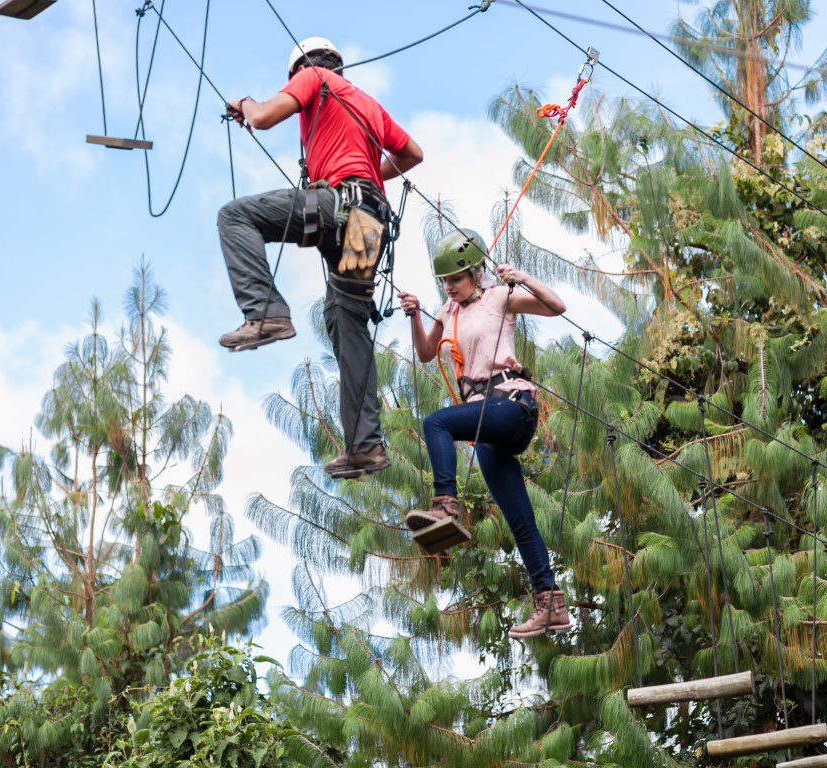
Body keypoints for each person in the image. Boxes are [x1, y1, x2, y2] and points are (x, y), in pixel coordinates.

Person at [219, 37, 424, 480]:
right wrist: (372, 179)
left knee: (236, 217)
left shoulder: (314, 79)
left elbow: (263, 117)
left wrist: (246, 103)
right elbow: (412, 154)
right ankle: (365, 446)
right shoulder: (366, 103)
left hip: (336, 208)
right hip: (369, 223)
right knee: (345, 319)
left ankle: (266, 313)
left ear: (299, 72)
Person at [396, 229, 573, 640]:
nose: (450, 287)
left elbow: (557, 307)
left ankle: (446, 504)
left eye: (455, 279)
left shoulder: (498, 297)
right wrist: (416, 314)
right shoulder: (448, 311)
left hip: (511, 404)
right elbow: (426, 352)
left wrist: (521, 277)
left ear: (475, 273)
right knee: (519, 521)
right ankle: (550, 603)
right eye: (445, 281)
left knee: (436, 423)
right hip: (485, 428)